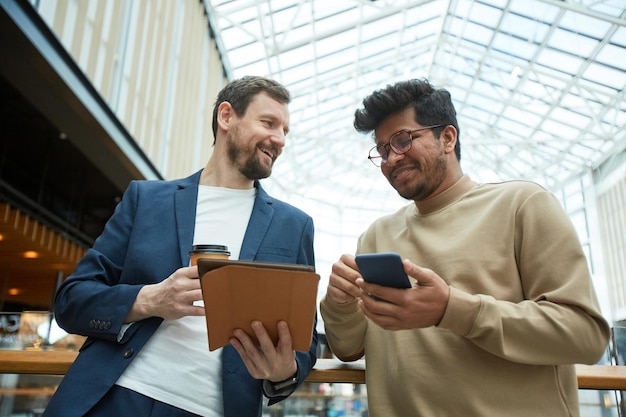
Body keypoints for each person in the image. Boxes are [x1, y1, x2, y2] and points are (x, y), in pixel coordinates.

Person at [320, 78, 610, 416]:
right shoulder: (376, 236)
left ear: (447, 137)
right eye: (382, 150)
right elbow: (348, 348)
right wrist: (339, 304)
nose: (390, 159)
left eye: (401, 140)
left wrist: (451, 310)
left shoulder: (522, 205)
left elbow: (585, 336)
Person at [43, 76, 317, 417]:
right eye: (269, 123)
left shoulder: (294, 226)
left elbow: (307, 342)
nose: (279, 139)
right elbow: (72, 300)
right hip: (116, 396)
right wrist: (150, 300)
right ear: (226, 116)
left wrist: (283, 372)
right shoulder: (146, 199)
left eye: (285, 131)